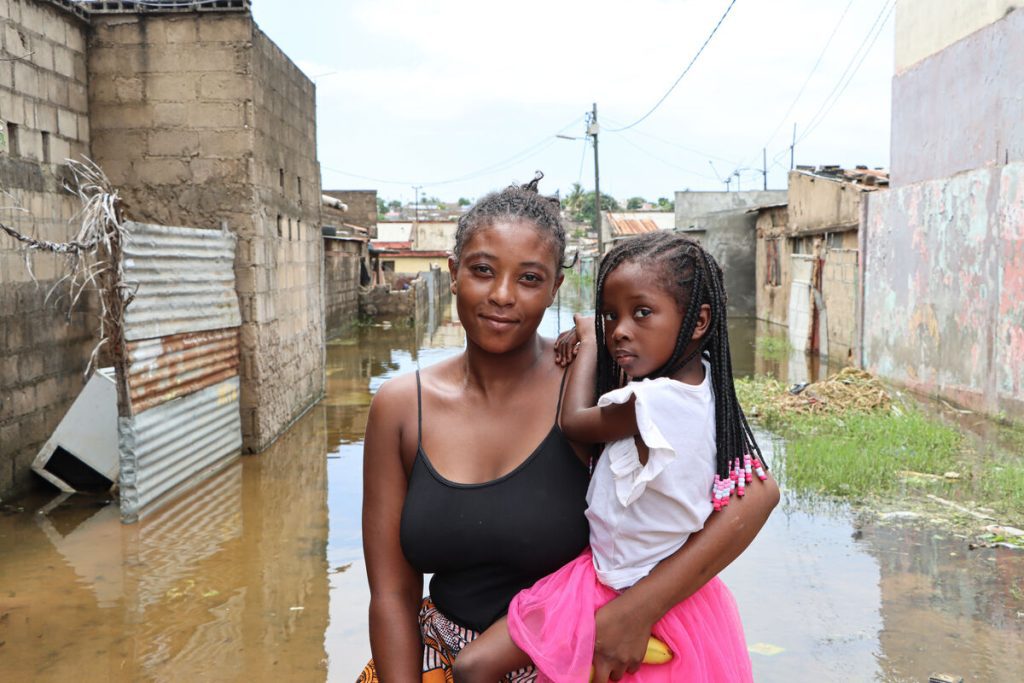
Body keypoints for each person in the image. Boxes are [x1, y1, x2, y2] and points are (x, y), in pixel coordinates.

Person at [359, 176, 779, 683]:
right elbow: (391, 594)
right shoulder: (401, 408)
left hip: (589, 661)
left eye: (530, 278)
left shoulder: (608, 389)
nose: (502, 296)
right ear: (452, 274)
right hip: (441, 665)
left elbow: (754, 496)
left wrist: (638, 609)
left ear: (556, 286)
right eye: (482, 271)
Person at [454, 231, 766, 682]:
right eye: (609, 317)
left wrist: (591, 344)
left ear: (698, 322)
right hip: (679, 597)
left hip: (614, 583)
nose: (620, 330)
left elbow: (576, 421)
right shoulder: (707, 388)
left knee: (472, 667)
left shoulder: (651, 403)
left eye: (642, 313)